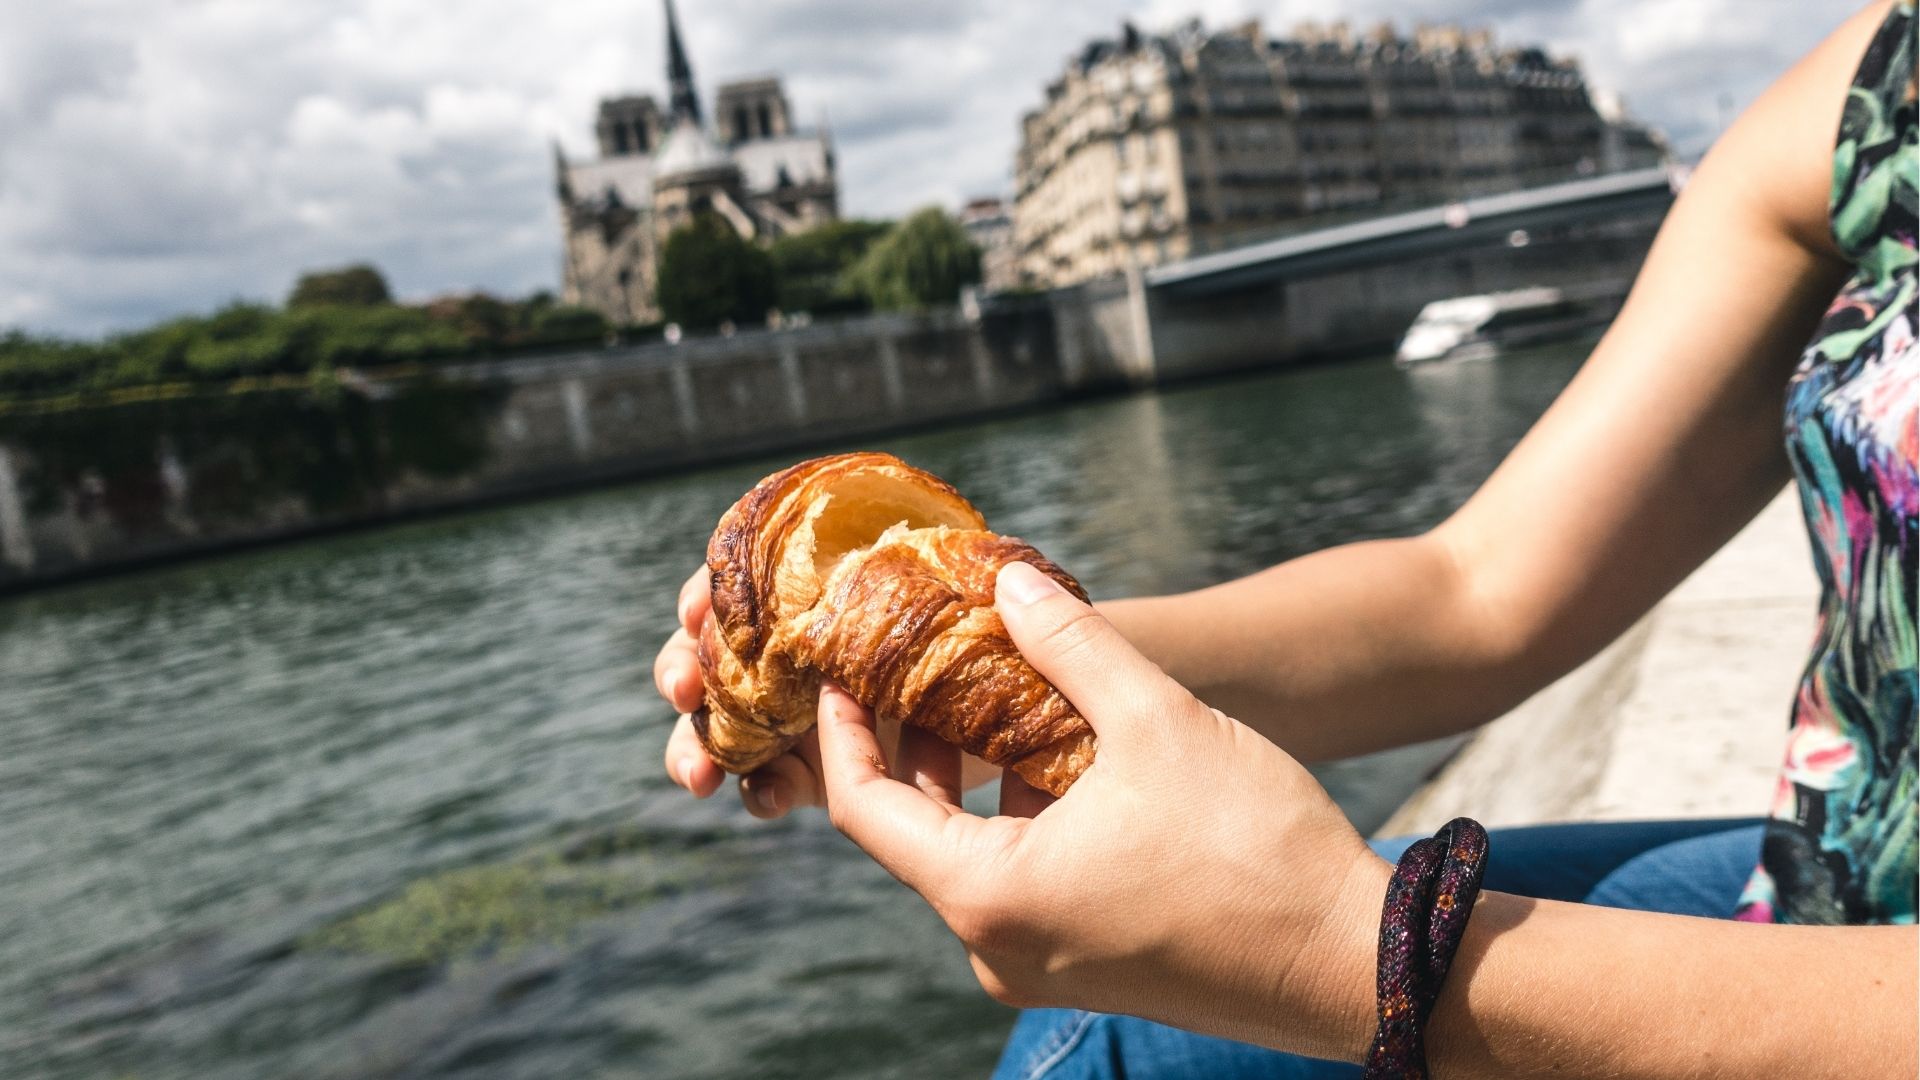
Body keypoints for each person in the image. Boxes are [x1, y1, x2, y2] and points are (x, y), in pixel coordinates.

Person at [653, 3, 1918, 1075]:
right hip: (1832, 865)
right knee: (1101, 1029)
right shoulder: (1868, 88)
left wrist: (1348, 949)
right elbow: (1475, 595)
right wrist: (998, 670)